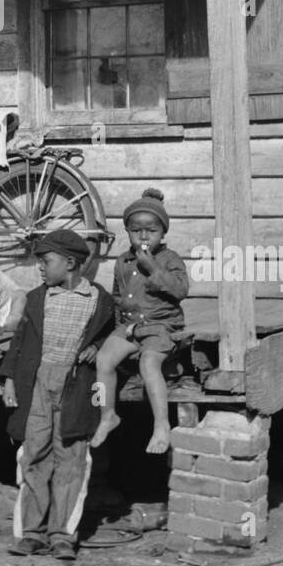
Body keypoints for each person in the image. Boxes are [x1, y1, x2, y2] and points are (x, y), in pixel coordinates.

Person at [0, 228, 113, 560]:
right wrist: (8, 380)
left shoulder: (99, 300)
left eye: (46, 261)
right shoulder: (37, 298)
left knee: (72, 457)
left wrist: (97, 346)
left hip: (77, 387)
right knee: (34, 452)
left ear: (71, 262)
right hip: (37, 383)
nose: (41, 268)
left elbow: (114, 332)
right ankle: (31, 533)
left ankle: (63, 534)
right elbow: (19, 342)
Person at [90, 188, 189, 455]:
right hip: (131, 325)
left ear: (163, 233)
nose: (144, 236)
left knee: (148, 363)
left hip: (161, 324)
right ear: (128, 232)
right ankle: (107, 414)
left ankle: (161, 425)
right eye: (136, 231)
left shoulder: (169, 260)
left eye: (151, 231)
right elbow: (117, 296)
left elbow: (180, 290)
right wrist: (119, 327)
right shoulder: (123, 261)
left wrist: (153, 269)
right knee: (103, 361)